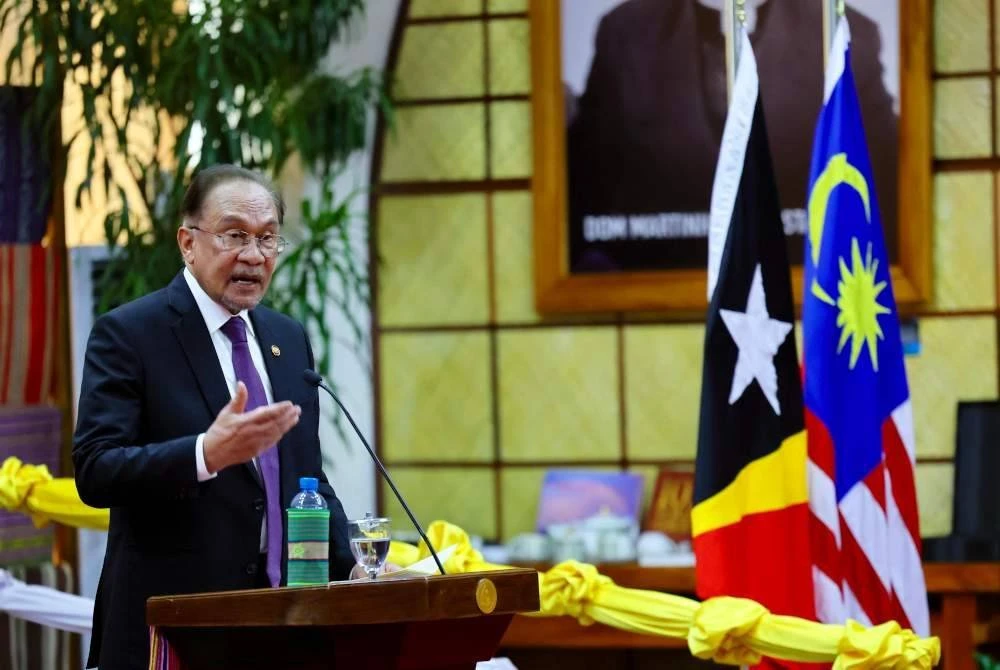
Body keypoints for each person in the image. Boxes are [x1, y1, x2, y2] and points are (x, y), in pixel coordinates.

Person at [73, 164, 357, 670]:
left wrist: (356, 567)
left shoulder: (287, 339)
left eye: (267, 238)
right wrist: (204, 454)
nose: (254, 255)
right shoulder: (130, 334)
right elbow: (96, 470)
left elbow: (305, 480)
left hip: (279, 630)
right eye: (234, 236)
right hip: (172, 632)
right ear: (188, 243)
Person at [566, 0, 898, 273]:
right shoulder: (625, 34)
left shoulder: (843, 34)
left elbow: (882, 195)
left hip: (802, 290)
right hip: (661, 289)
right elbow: (587, 194)